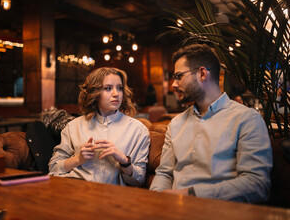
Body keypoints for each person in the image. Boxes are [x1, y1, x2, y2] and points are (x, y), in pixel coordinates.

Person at [149, 44, 273, 203]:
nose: (173, 84)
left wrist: (191, 194)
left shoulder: (247, 119)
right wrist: (155, 200)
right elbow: (165, 174)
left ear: (202, 74)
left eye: (179, 76)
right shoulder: (176, 123)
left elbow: (257, 185)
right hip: (175, 211)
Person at [49, 67, 150, 186]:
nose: (116, 94)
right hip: (74, 190)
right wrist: (78, 159)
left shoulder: (138, 130)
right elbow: (53, 168)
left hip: (113, 197)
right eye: (108, 88)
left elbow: (139, 180)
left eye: (120, 88)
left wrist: (124, 161)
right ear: (94, 93)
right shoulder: (73, 126)